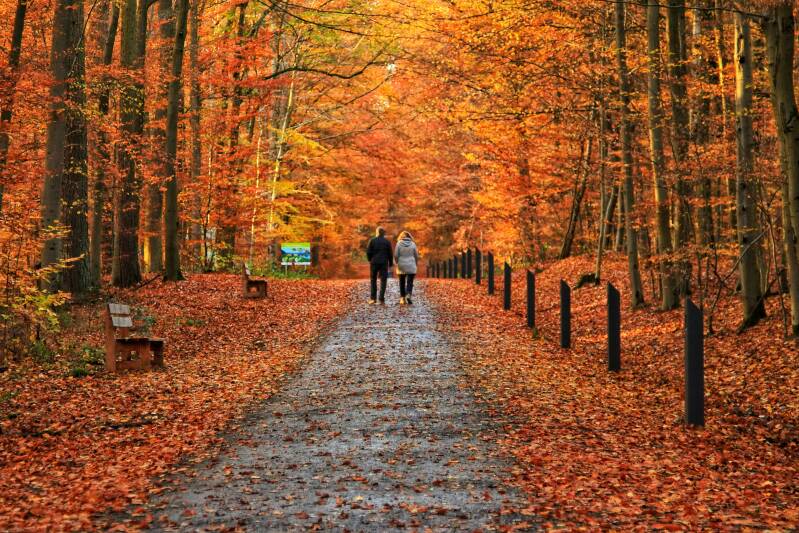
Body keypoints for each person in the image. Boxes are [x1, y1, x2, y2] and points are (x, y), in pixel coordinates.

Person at [366, 226, 393, 304]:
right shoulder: (387, 242)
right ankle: (381, 298)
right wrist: (390, 263)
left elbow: (368, 252)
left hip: (374, 262)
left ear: (377, 232)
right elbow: (390, 254)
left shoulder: (372, 241)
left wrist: (370, 259)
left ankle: (373, 298)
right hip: (384, 263)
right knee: (383, 280)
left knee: (373, 280)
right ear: (383, 233)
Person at [395, 230, 419, 305]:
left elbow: (396, 255)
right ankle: (408, 294)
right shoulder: (413, 244)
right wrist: (416, 263)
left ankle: (402, 298)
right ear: (409, 237)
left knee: (401, 282)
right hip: (411, 264)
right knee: (410, 282)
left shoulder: (398, 244)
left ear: (401, 237)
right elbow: (416, 255)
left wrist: (397, 262)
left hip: (401, 264)